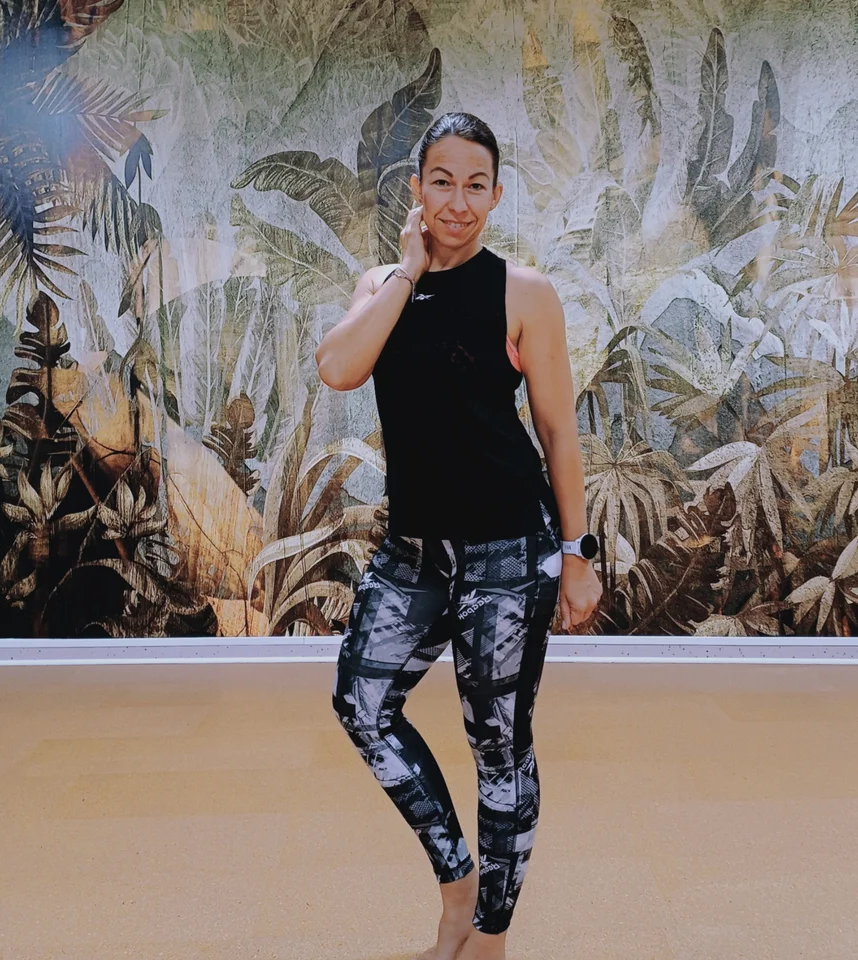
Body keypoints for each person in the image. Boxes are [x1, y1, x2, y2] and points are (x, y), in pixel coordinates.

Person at [316, 112, 602, 960]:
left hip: (510, 553)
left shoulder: (524, 293)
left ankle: (491, 935)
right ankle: (457, 881)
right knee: (361, 705)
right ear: (417, 187)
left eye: (477, 185)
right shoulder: (383, 285)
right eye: (442, 181)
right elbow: (338, 368)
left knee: (497, 743)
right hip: (413, 554)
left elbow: (558, 433)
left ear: (496, 194)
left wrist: (578, 555)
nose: (458, 201)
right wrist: (407, 273)